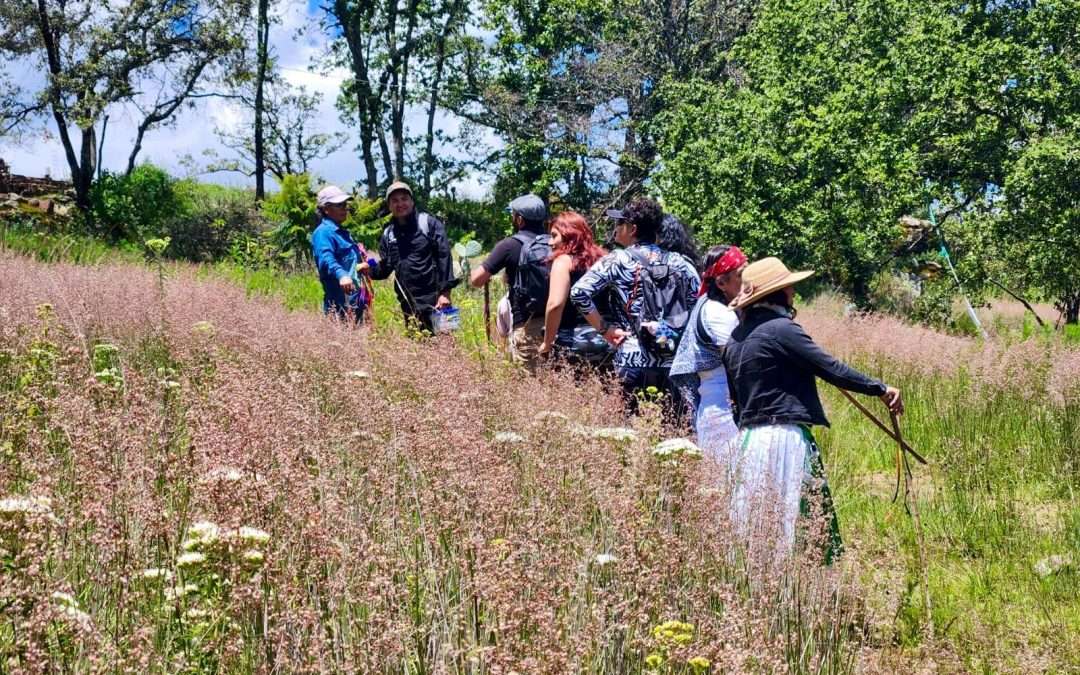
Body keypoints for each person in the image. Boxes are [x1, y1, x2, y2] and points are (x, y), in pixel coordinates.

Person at [722, 257, 903, 563]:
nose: (793, 292)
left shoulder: (734, 341)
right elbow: (831, 367)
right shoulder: (782, 329)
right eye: (788, 287)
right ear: (777, 293)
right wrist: (880, 389)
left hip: (749, 443)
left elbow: (735, 404)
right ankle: (796, 588)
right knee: (794, 525)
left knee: (756, 528)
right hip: (783, 440)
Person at [570, 197, 700, 416]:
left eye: (620, 222)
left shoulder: (618, 260)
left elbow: (579, 293)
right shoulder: (680, 262)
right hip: (673, 362)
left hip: (632, 358)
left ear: (633, 229)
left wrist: (605, 330)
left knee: (628, 430)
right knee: (675, 429)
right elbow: (697, 305)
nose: (615, 227)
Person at [669, 244, 747, 457]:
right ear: (721, 283)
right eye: (741, 275)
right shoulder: (719, 313)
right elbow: (741, 362)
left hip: (718, 407)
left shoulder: (711, 305)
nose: (748, 280)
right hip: (723, 412)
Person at [470, 194, 549, 369]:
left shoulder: (509, 245)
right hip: (558, 325)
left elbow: (477, 280)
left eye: (513, 215)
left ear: (520, 220)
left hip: (526, 326)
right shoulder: (555, 243)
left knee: (530, 381)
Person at [368, 181, 456, 333]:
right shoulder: (388, 234)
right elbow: (384, 268)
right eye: (395, 200)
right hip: (408, 305)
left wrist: (445, 294)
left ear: (412, 201)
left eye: (404, 199)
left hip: (438, 300)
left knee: (448, 343)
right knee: (417, 344)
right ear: (389, 206)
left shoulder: (429, 223)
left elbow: (445, 258)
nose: (400, 204)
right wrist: (368, 265)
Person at [537, 211, 609, 365]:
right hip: (606, 341)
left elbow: (555, 304)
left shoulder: (563, 262)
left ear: (569, 235)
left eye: (554, 236)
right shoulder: (605, 259)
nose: (550, 242)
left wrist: (547, 342)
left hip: (572, 341)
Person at [311, 185, 372, 324]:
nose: (345, 208)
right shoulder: (323, 233)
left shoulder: (343, 233)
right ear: (326, 209)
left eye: (345, 205)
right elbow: (326, 258)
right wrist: (342, 275)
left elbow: (349, 263)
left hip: (356, 300)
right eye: (339, 205)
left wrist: (361, 266)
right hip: (339, 303)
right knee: (342, 334)